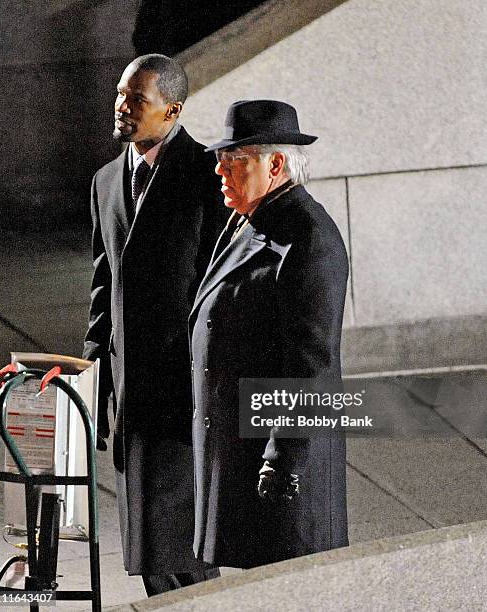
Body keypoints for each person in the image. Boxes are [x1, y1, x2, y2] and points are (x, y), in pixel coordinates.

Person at [83, 54, 224, 595]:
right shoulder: (104, 183)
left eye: (137, 100)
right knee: (146, 547)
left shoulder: (207, 175)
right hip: (132, 398)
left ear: (172, 110)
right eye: (121, 95)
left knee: (183, 546)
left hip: (185, 393)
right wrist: (94, 382)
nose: (122, 107)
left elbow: (222, 285)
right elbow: (103, 290)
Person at [189, 99, 349, 569]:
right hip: (237, 451)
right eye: (221, 160)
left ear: (275, 164)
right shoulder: (247, 219)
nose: (222, 172)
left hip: (273, 466)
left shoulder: (309, 237)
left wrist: (281, 460)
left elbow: (311, 369)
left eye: (235, 161)